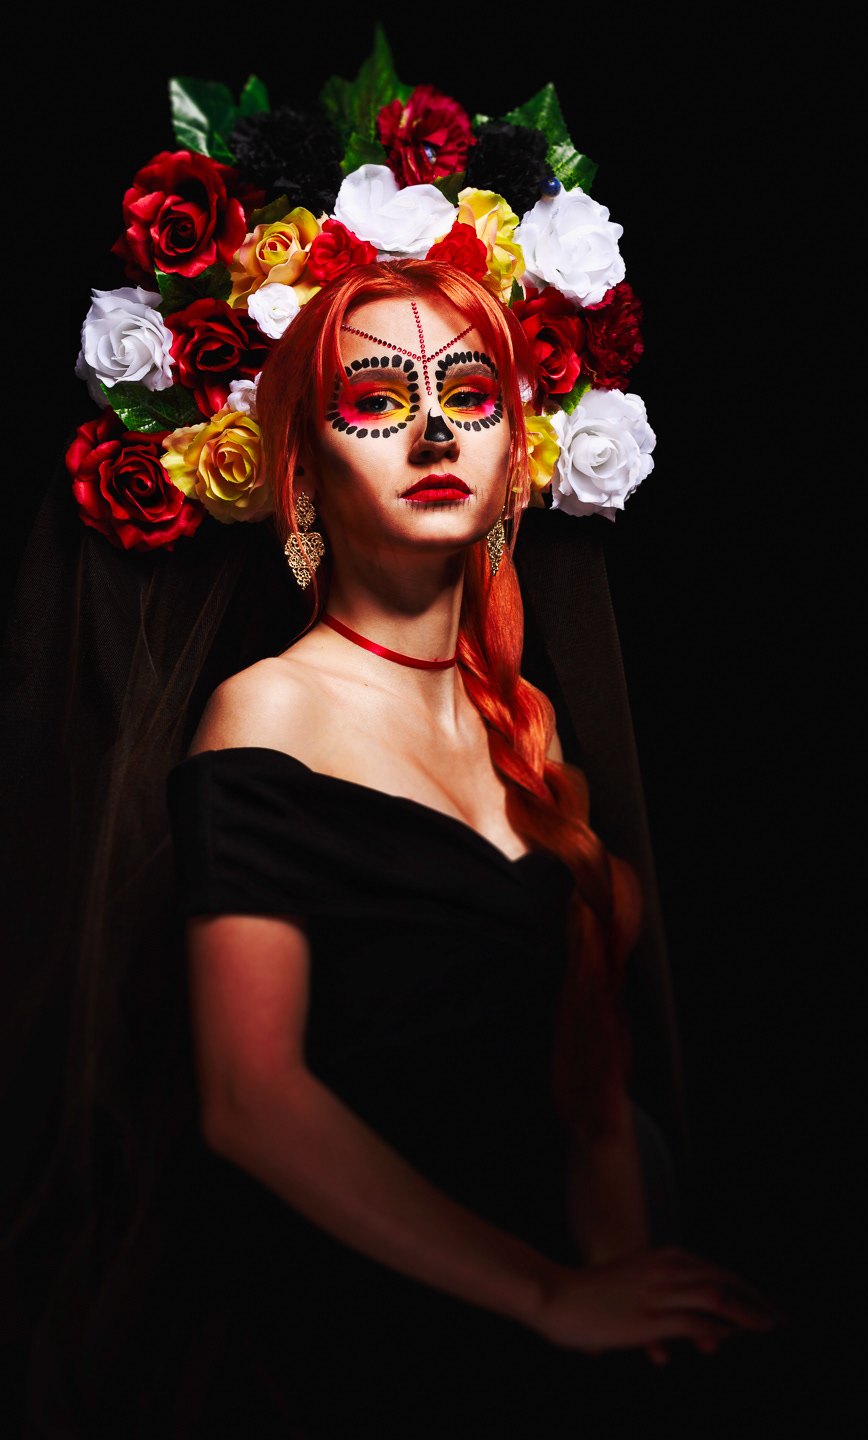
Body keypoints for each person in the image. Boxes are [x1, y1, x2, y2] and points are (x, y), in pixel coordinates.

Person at [156, 257, 778, 1433]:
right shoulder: (270, 712)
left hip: (563, 1328)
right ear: (301, 470)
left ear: (514, 455)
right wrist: (547, 1296)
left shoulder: (530, 728)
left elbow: (592, 1094)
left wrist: (631, 1313)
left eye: (473, 394)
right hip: (366, 1346)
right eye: (377, 399)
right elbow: (248, 1097)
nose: (436, 430)